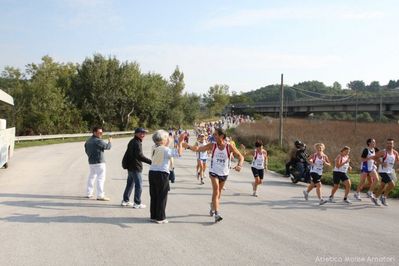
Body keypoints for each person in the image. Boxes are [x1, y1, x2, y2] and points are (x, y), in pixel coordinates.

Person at [183, 128, 244, 223]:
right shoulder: (212, 145)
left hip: (224, 173)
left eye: (215, 135)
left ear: (221, 136)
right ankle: (217, 213)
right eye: (213, 134)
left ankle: (212, 207)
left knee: (218, 192)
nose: (213, 136)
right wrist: (188, 146)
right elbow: (199, 149)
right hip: (213, 172)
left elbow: (241, 156)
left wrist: (239, 165)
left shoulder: (229, 147)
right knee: (216, 191)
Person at [149, 130, 185, 224]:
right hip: (162, 174)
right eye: (166, 137)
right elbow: (179, 154)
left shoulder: (154, 147)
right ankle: (160, 218)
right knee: (162, 196)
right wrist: (180, 142)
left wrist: (169, 140)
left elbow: (165, 147)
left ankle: (154, 215)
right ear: (162, 140)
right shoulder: (165, 150)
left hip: (152, 172)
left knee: (154, 195)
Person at [121, 128, 152, 208]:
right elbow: (140, 156)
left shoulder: (132, 141)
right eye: (141, 133)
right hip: (135, 167)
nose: (143, 135)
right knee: (139, 185)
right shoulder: (137, 143)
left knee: (130, 184)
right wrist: (151, 162)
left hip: (130, 167)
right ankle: (137, 203)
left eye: (144, 133)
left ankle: (125, 200)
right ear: (136, 134)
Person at [84, 126, 112, 201]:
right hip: (99, 162)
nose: (101, 134)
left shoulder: (88, 141)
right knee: (101, 179)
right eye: (99, 132)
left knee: (91, 177)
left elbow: (86, 151)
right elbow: (108, 147)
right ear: (94, 132)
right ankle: (100, 195)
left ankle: (89, 193)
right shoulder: (98, 141)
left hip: (91, 162)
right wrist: (110, 141)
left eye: (101, 132)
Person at [372, 139, 399, 206]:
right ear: (386, 144)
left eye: (391, 143)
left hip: (390, 171)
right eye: (388, 143)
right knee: (392, 184)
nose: (389, 145)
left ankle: (375, 198)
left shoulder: (395, 153)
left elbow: (398, 160)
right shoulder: (383, 152)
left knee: (382, 186)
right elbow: (374, 158)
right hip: (383, 171)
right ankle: (383, 197)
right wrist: (381, 163)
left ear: (393, 144)